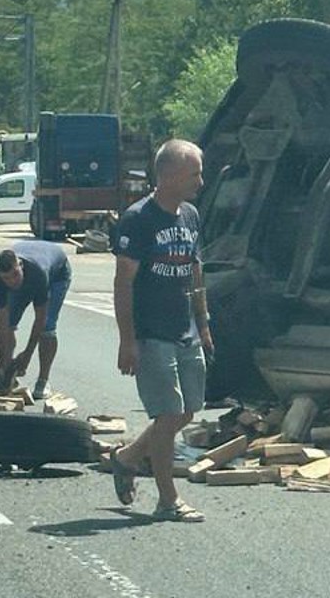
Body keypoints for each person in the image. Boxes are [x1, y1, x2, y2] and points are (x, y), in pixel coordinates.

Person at [110, 138, 211, 522]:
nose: (200, 181)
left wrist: (203, 323)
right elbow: (124, 283)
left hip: (184, 328)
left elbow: (195, 271)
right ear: (168, 176)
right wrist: (127, 340)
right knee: (168, 415)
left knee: (187, 410)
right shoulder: (138, 220)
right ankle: (168, 500)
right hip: (151, 334)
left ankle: (127, 457)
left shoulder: (190, 215)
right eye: (194, 174)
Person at [0, 239, 71, 399]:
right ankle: (8, 375)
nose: (12, 281)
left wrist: (27, 354)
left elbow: (40, 317)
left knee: (47, 326)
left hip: (56, 274)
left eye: (15, 275)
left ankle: (43, 380)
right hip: (31, 261)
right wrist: (2, 356)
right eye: (7, 278)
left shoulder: (38, 273)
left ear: (20, 265)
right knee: (9, 322)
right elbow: (1, 320)